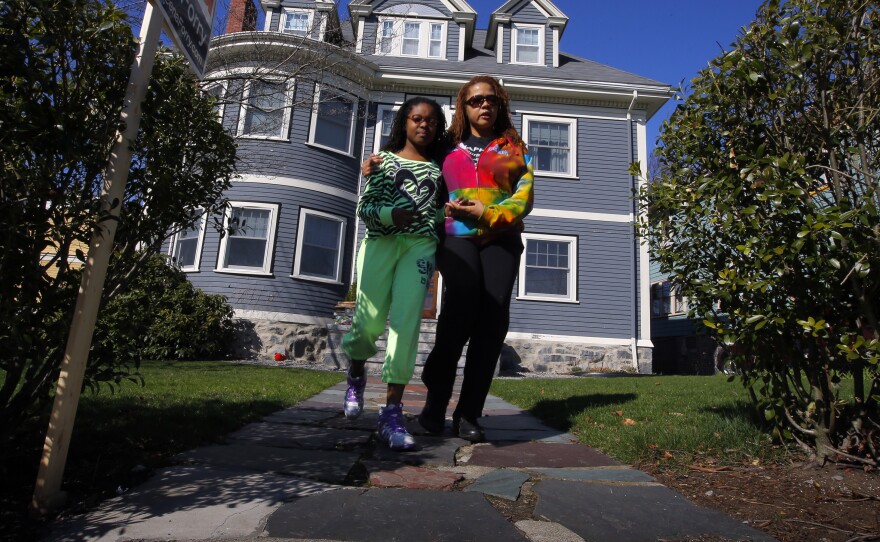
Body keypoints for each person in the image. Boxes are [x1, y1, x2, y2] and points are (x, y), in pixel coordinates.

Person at [362, 76, 534, 442]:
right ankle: (435, 404)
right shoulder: (445, 145)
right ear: (463, 106)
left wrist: (487, 213)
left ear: (500, 103)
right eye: (475, 101)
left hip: (501, 238)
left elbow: (524, 198)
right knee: (458, 311)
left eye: (490, 99)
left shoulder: (514, 148)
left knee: (492, 323)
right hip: (455, 236)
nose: (483, 105)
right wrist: (375, 165)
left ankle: (469, 413)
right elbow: (408, 161)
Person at [341, 97, 448, 451]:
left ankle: (391, 413)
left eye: (432, 121)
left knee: (406, 324)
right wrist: (391, 214)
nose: (424, 125)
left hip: (419, 248)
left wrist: (441, 214)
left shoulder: (438, 169)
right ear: (404, 122)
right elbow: (365, 208)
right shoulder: (381, 163)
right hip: (380, 245)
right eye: (417, 118)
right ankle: (356, 374)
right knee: (368, 322)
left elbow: (434, 216)